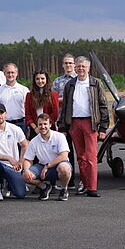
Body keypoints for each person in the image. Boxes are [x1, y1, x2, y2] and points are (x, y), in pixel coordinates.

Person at [58, 56, 109, 197]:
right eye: (78, 66)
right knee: (81, 157)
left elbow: (103, 105)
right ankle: (85, 185)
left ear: (88, 68)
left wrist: (103, 128)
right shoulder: (70, 85)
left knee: (91, 156)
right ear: (75, 67)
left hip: (90, 123)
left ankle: (92, 187)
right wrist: (62, 127)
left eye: (83, 66)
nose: (80, 69)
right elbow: (65, 107)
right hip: (74, 123)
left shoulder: (95, 83)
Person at [0, 103, 29, 201]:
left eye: (1, 113)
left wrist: (20, 162)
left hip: (13, 166)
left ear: (6, 114)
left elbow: (25, 145)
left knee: (20, 194)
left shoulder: (15, 129)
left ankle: (8, 184)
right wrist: (9, 158)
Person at [23, 114, 72, 201]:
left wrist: (47, 166)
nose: (43, 127)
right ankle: (44, 187)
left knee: (64, 168)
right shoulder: (34, 141)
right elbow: (28, 159)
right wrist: (26, 170)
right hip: (42, 167)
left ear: (50, 125)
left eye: (45, 124)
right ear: (37, 126)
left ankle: (64, 189)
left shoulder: (59, 136)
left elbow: (64, 156)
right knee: (25, 176)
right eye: (40, 124)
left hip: (58, 165)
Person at [52, 54, 77, 188]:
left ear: (74, 64)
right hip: (62, 121)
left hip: (77, 119)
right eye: (66, 63)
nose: (68, 65)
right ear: (62, 65)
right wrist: (65, 100)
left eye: (70, 63)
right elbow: (53, 100)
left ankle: (85, 181)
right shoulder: (57, 81)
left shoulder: (79, 79)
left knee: (80, 152)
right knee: (65, 151)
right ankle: (68, 180)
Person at [0, 63, 29, 134]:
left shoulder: (24, 90)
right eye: (8, 73)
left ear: (17, 73)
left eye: (12, 72)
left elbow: (29, 109)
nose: (10, 75)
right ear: (4, 73)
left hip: (21, 124)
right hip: (3, 124)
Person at [25, 69, 59, 140]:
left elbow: (55, 113)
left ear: (46, 79)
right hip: (35, 130)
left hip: (49, 128)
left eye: (42, 78)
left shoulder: (53, 95)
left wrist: (46, 126)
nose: (40, 81)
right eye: (37, 79)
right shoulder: (29, 95)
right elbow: (28, 114)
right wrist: (36, 128)